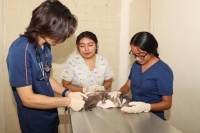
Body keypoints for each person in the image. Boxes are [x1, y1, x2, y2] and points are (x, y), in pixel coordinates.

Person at [6, 0, 88, 133]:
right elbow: (28, 99)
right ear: (46, 25)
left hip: (50, 115)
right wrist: (68, 101)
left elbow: (45, 76)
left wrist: (67, 92)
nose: (62, 39)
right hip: (35, 121)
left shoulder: (46, 45)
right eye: (60, 33)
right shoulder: (21, 49)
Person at [109, 31, 173, 120]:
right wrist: (118, 93)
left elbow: (167, 103)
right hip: (135, 115)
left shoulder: (163, 71)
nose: (137, 58)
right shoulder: (136, 65)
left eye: (141, 55)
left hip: (153, 119)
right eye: (134, 55)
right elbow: (128, 85)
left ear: (151, 50)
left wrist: (146, 107)